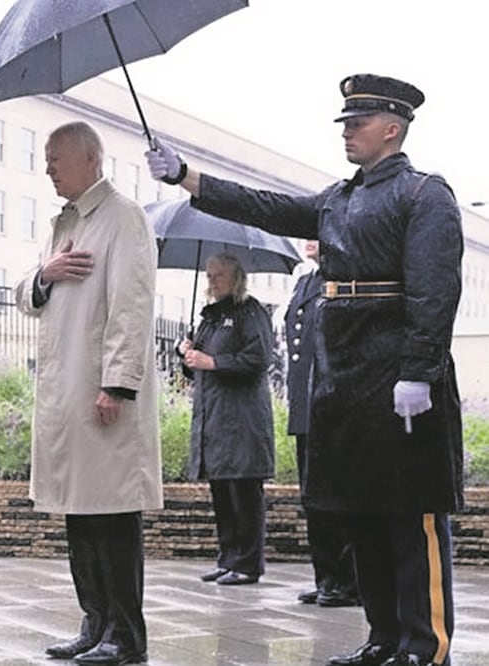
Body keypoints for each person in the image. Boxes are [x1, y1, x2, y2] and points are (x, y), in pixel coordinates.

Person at [146, 74, 463, 666]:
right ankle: (384, 637)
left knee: (408, 514)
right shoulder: (336, 200)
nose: (347, 132)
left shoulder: (425, 196)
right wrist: (187, 176)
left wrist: (419, 370)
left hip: (398, 378)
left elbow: (435, 292)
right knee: (360, 513)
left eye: (358, 122)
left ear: (392, 128)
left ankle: (425, 646)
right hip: (343, 378)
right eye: (345, 122)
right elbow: (266, 206)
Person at [15, 120, 161, 666]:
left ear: (90, 160)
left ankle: (125, 635)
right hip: (67, 391)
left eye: (55, 157)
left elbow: (133, 305)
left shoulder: (124, 218)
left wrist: (118, 384)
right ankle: (94, 622)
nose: (47, 167)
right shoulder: (64, 224)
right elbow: (27, 297)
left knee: (113, 515)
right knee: (81, 514)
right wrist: (44, 274)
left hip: (103, 394)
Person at [179, 252, 274, 587]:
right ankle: (228, 557)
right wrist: (188, 355)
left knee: (244, 491)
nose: (212, 281)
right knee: (222, 491)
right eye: (209, 275)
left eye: (219, 275)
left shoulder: (252, 313)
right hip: (214, 419)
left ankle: (248, 563)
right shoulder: (211, 317)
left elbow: (259, 359)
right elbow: (196, 371)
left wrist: (214, 361)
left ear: (237, 277)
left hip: (242, 419)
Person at [285, 239, 359, 608]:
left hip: (332, 403)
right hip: (306, 406)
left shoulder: (343, 277)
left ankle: (348, 581)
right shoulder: (305, 282)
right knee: (313, 499)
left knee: (337, 497)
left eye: (316, 233)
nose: (308, 241)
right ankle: (326, 576)